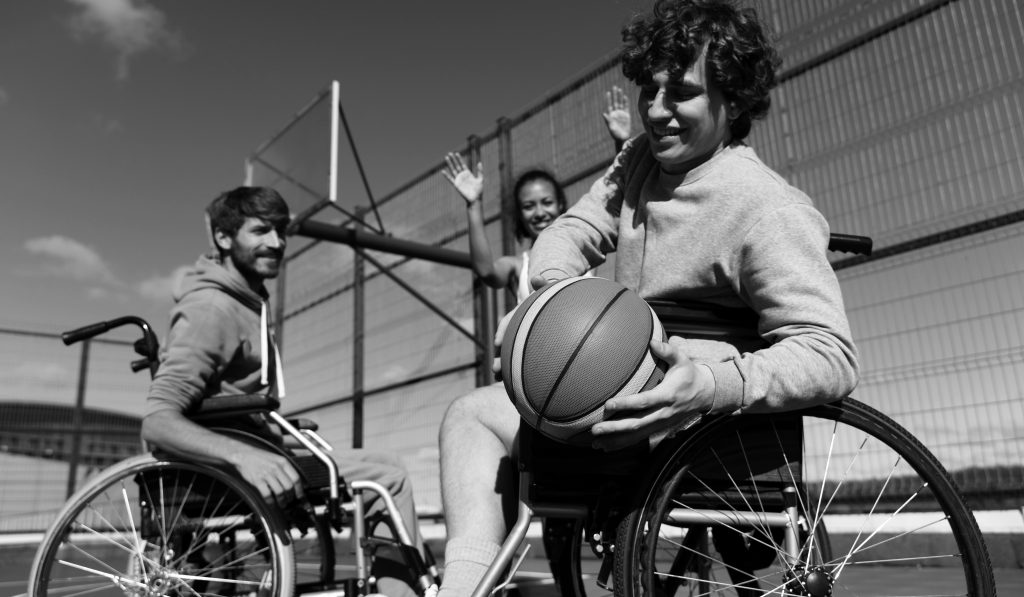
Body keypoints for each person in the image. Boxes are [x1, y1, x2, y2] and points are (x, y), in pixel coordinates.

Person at [433, 1, 859, 596]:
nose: (656, 112)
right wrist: (551, 308)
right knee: (470, 414)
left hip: (696, 427)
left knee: (475, 417)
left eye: (680, 92)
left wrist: (709, 385)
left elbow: (830, 355)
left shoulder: (769, 210)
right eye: (648, 90)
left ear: (732, 100)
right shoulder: (637, 161)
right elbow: (570, 230)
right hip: (613, 404)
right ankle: (462, 588)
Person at [141, 186, 425, 597]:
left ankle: (400, 582)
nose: (276, 243)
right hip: (228, 471)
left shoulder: (244, 301)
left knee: (383, 461)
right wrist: (245, 457)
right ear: (224, 238)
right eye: (260, 231)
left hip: (255, 449)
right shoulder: (212, 309)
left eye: (280, 232)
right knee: (389, 477)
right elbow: (158, 421)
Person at [440, 86, 632, 303]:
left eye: (547, 202)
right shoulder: (517, 264)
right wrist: (473, 204)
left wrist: (622, 145)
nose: (539, 212)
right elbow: (486, 271)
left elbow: (623, 204)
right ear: (520, 215)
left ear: (561, 205)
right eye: (529, 206)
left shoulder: (583, 252)